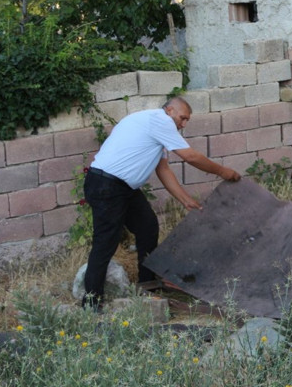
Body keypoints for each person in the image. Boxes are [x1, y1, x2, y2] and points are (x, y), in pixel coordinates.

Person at [82, 96, 240, 310]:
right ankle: (92, 303)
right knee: (105, 242)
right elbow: (190, 156)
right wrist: (224, 171)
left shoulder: (154, 126)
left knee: (147, 226)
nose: (183, 124)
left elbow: (163, 169)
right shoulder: (160, 121)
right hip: (107, 185)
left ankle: (147, 286)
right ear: (169, 110)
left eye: (187, 121)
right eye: (182, 118)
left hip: (122, 187)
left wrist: (185, 200)